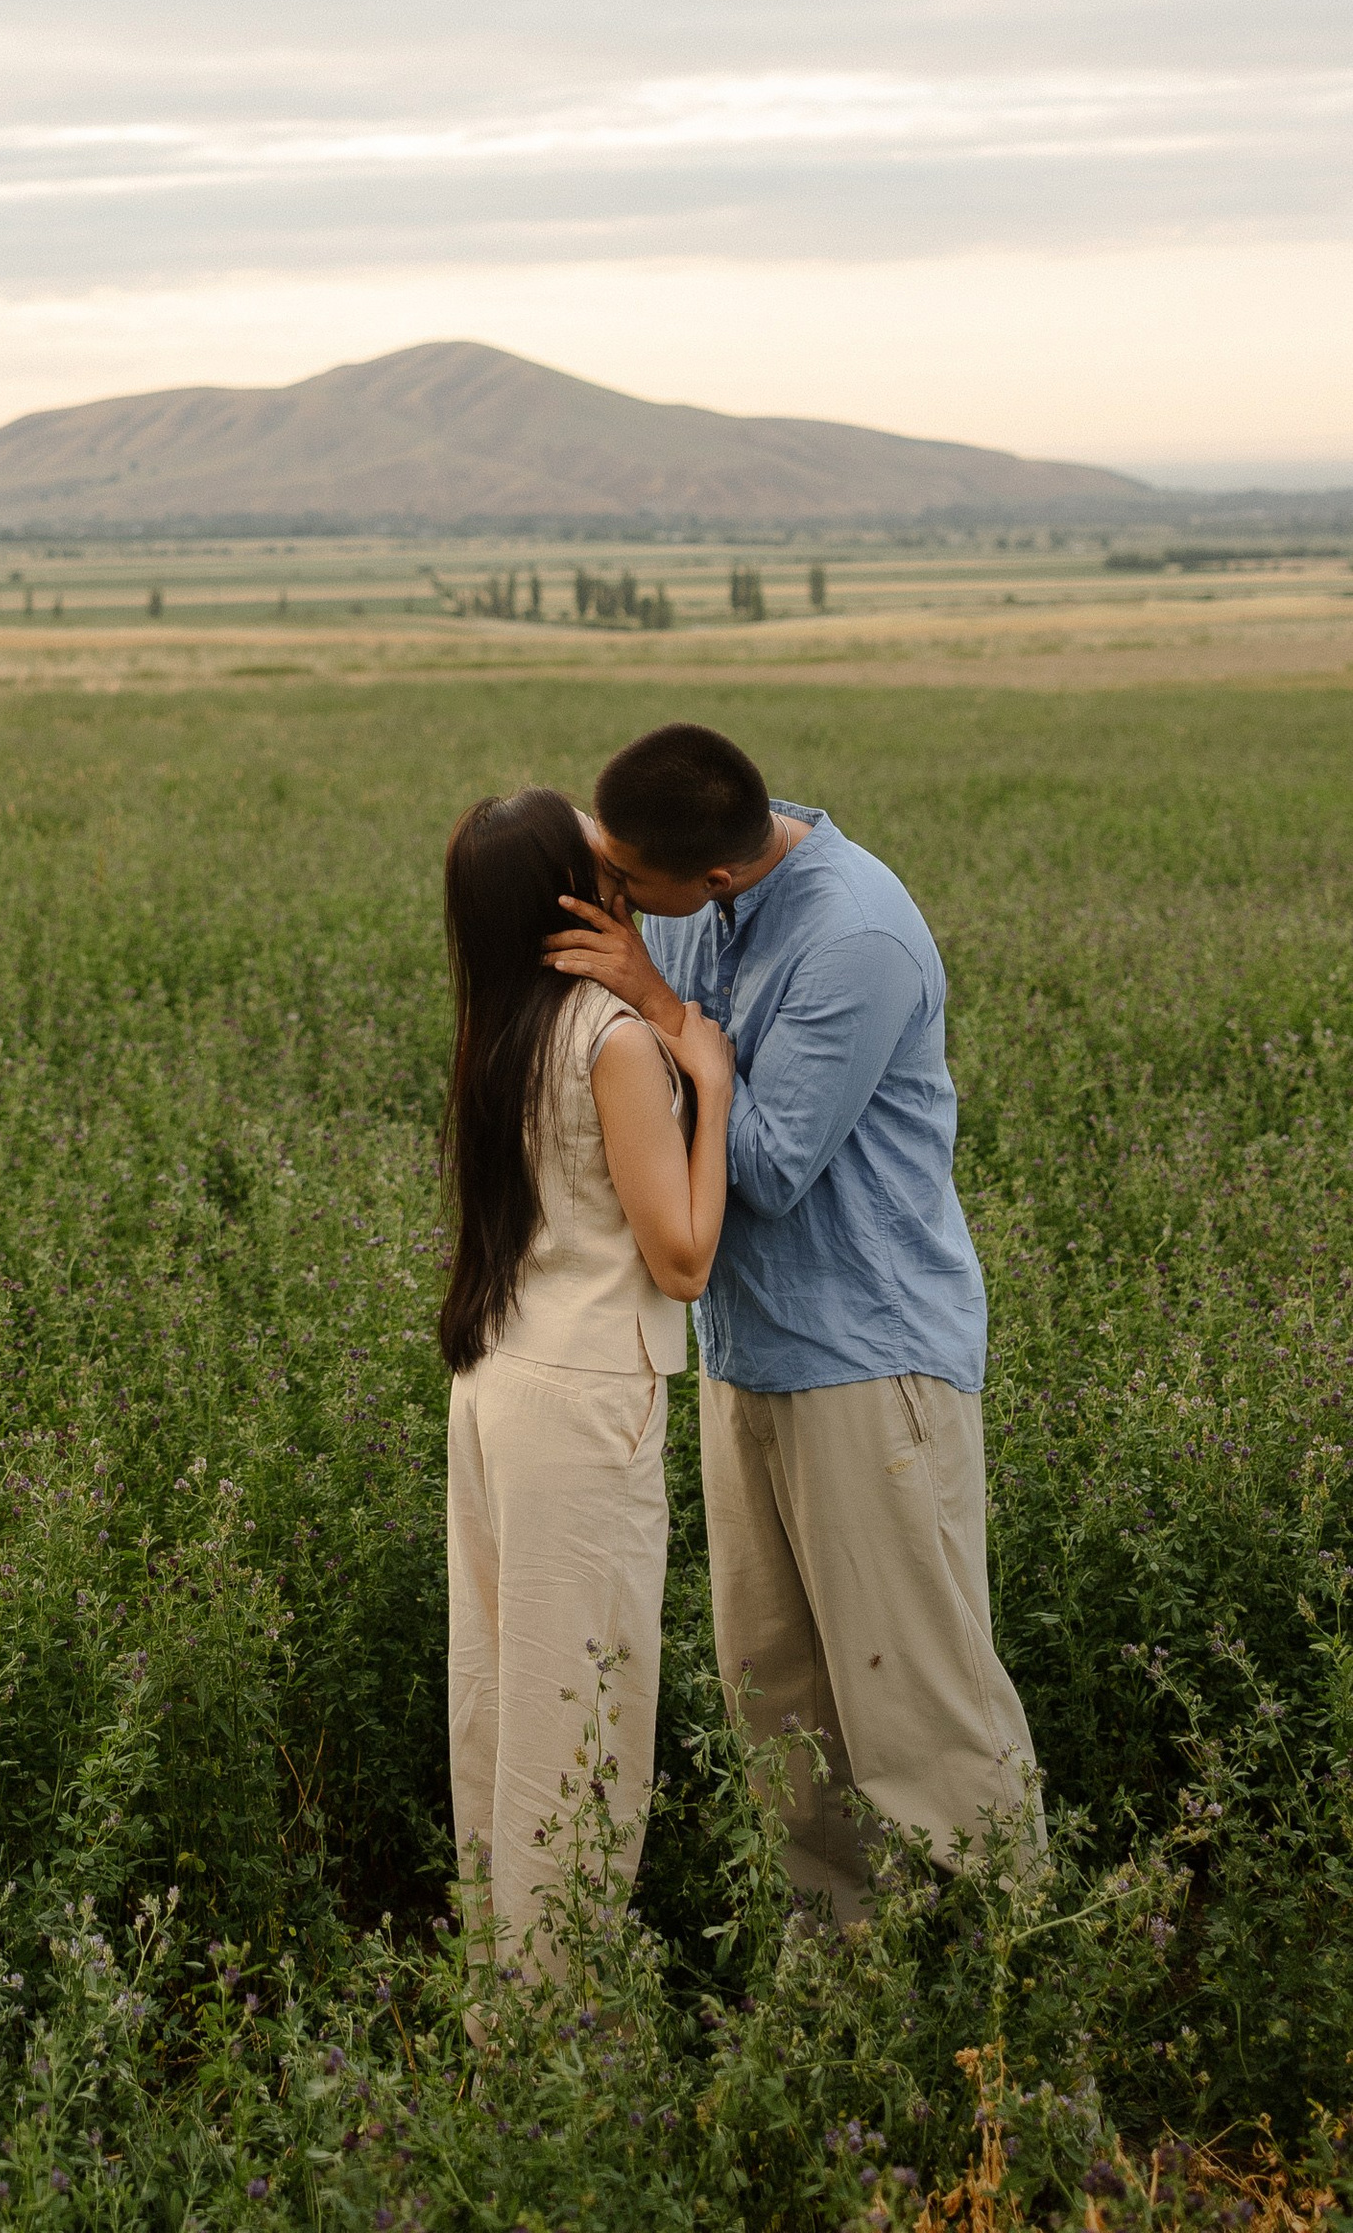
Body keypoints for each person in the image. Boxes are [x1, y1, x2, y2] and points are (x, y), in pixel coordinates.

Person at [546, 719, 1043, 1924]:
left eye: (631, 886)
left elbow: (764, 1167)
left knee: (920, 1706)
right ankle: (843, 1989)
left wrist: (659, 1005)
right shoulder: (687, 885)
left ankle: (1020, 1972)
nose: (617, 902)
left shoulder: (854, 936)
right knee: (780, 1701)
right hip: (747, 1348)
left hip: (869, 1360)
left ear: (713, 874)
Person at [440, 787, 733, 1975]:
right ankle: (559, 2041)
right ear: (573, 891)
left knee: (501, 1708)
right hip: (581, 1404)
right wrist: (705, 1079)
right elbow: (682, 1258)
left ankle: (498, 2001)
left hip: (498, 1382)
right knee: (582, 1728)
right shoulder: (609, 1040)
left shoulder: (499, 1019)